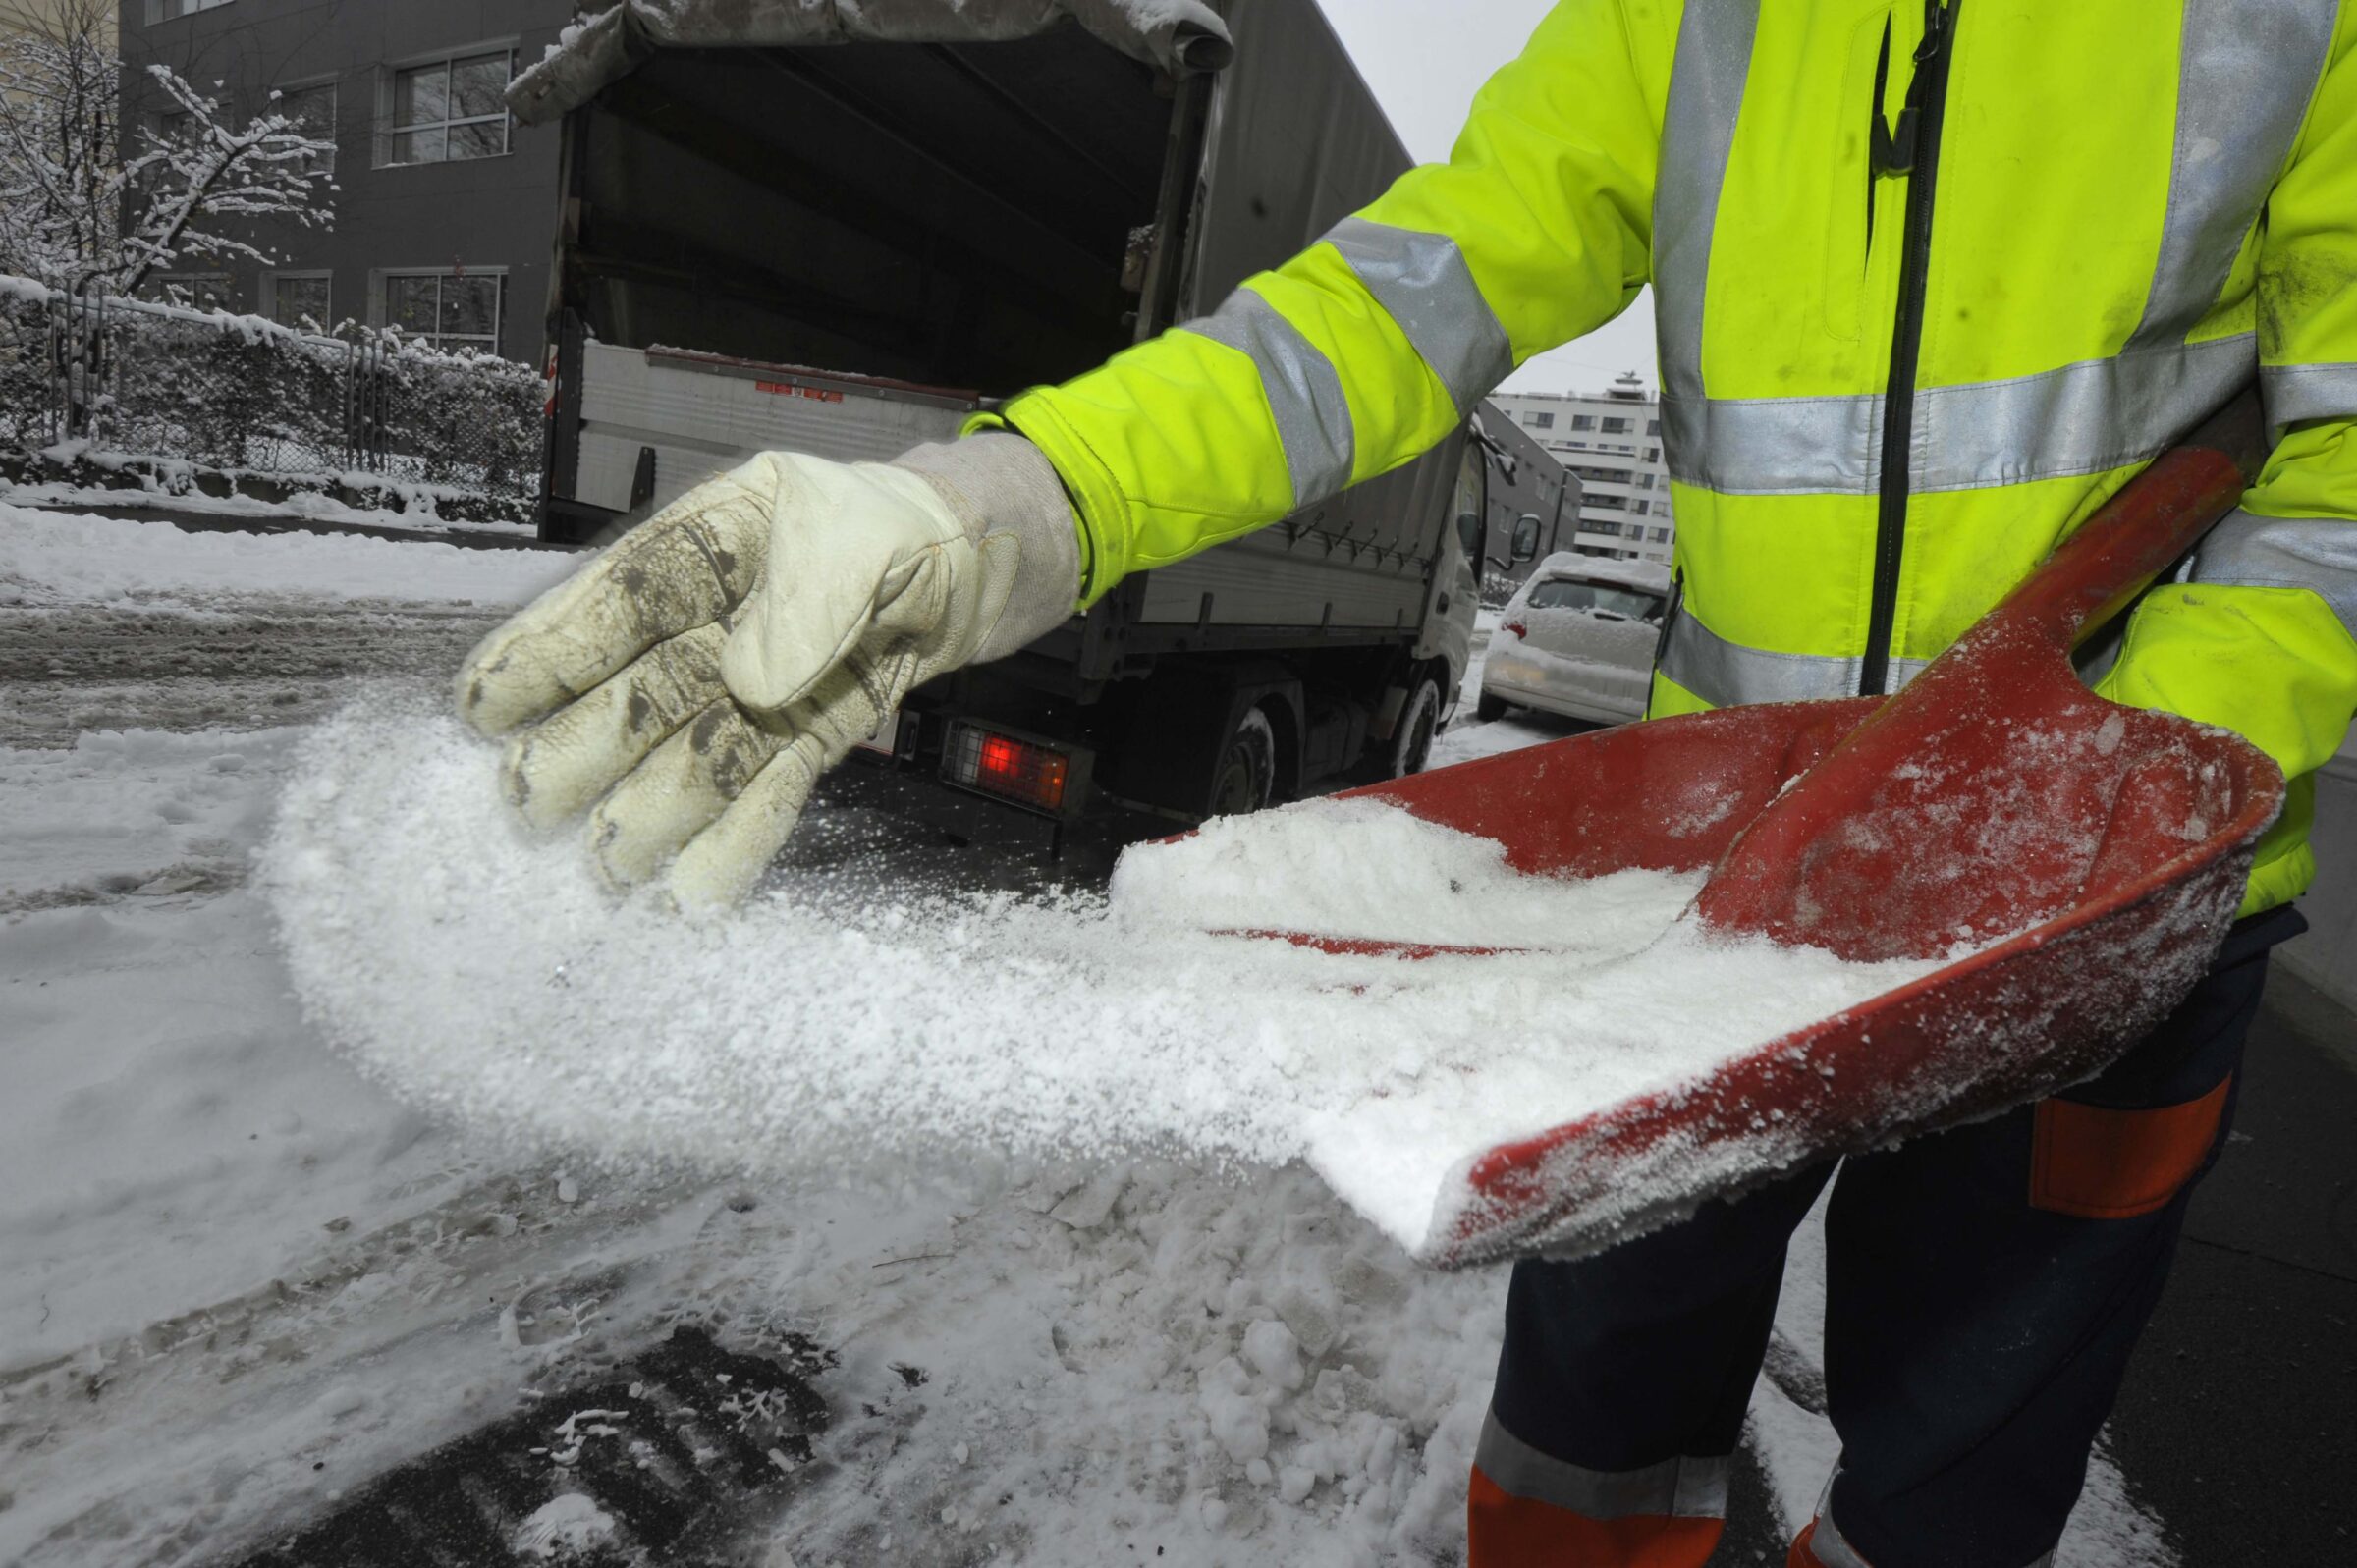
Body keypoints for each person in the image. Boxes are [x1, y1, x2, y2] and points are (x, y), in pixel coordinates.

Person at [459, 1, 2357, 1561]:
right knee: (1587, 1450)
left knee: (1952, 1495)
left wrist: (2138, 762)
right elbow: (1384, 308)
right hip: (1716, 898)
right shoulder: (1695, 16)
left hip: (2114, 914)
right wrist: (1019, 502)